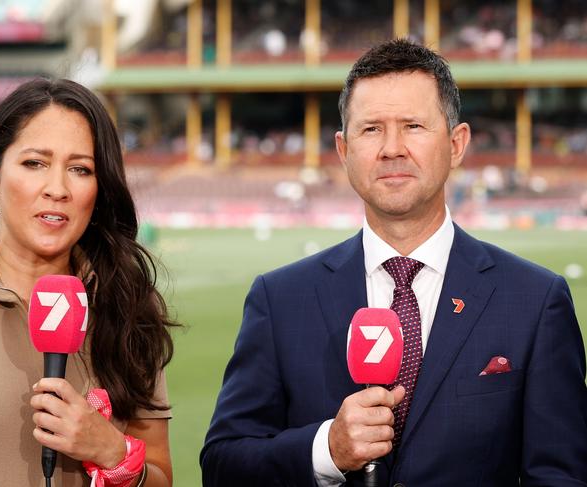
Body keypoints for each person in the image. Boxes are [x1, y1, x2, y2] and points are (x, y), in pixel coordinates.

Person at [201, 39, 587, 486]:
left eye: (413, 126)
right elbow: (222, 466)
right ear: (344, 152)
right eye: (371, 129)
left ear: (457, 144)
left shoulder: (535, 300)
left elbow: (562, 477)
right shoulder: (280, 298)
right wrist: (327, 449)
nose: (392, 148)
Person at [0, 78, 177, 486]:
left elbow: (161, 477)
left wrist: (113, 454)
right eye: (35, 163)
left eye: (80, 169)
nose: (57, 189)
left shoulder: (130, 308)